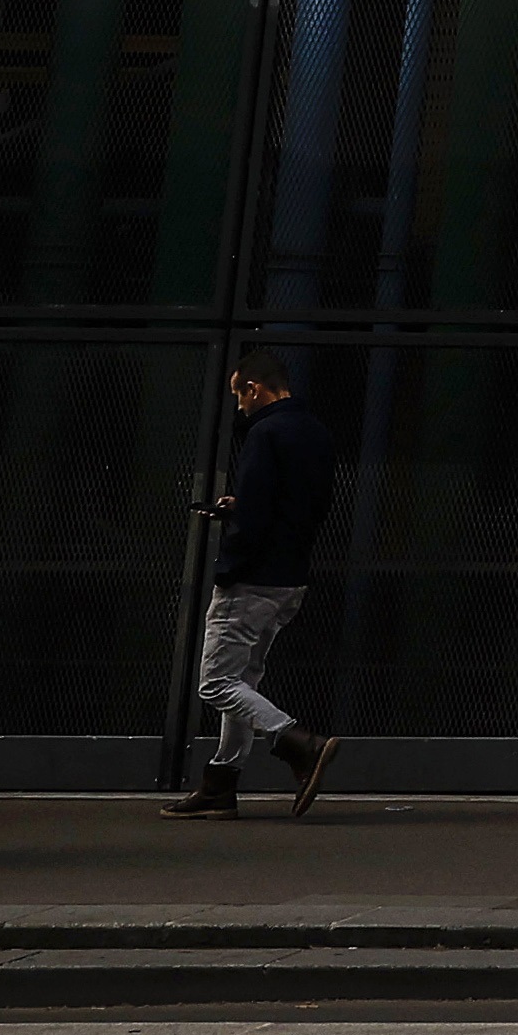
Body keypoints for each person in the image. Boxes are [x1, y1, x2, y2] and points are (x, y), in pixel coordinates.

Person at [169, 350, 343, 817]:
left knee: (216, 683)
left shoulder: (265, 432)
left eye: (238, 395)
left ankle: (298, 742)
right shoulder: (316, 432)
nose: (239, 405)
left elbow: (259, 515)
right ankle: (219, 786)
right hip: (291, 577)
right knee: (244, 680)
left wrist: (232, 561)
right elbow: (304, 503)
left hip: (252, 578)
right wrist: (241, 504)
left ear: (253, 388)